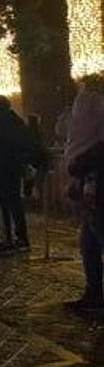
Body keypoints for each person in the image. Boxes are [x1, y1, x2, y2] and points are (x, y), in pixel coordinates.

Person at [65, 76, 104, 311]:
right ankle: (94, 292)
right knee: (88, 244)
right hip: (92, 191)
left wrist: (79, 167)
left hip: (98, 192)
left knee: (94, 240)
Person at [0, 94, 33, 252]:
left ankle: (13, 237)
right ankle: (16, 237)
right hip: (11, 166)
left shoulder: (1, 123)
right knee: (12, 203)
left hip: (3, 167)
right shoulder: (16, 121)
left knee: (9, 204)